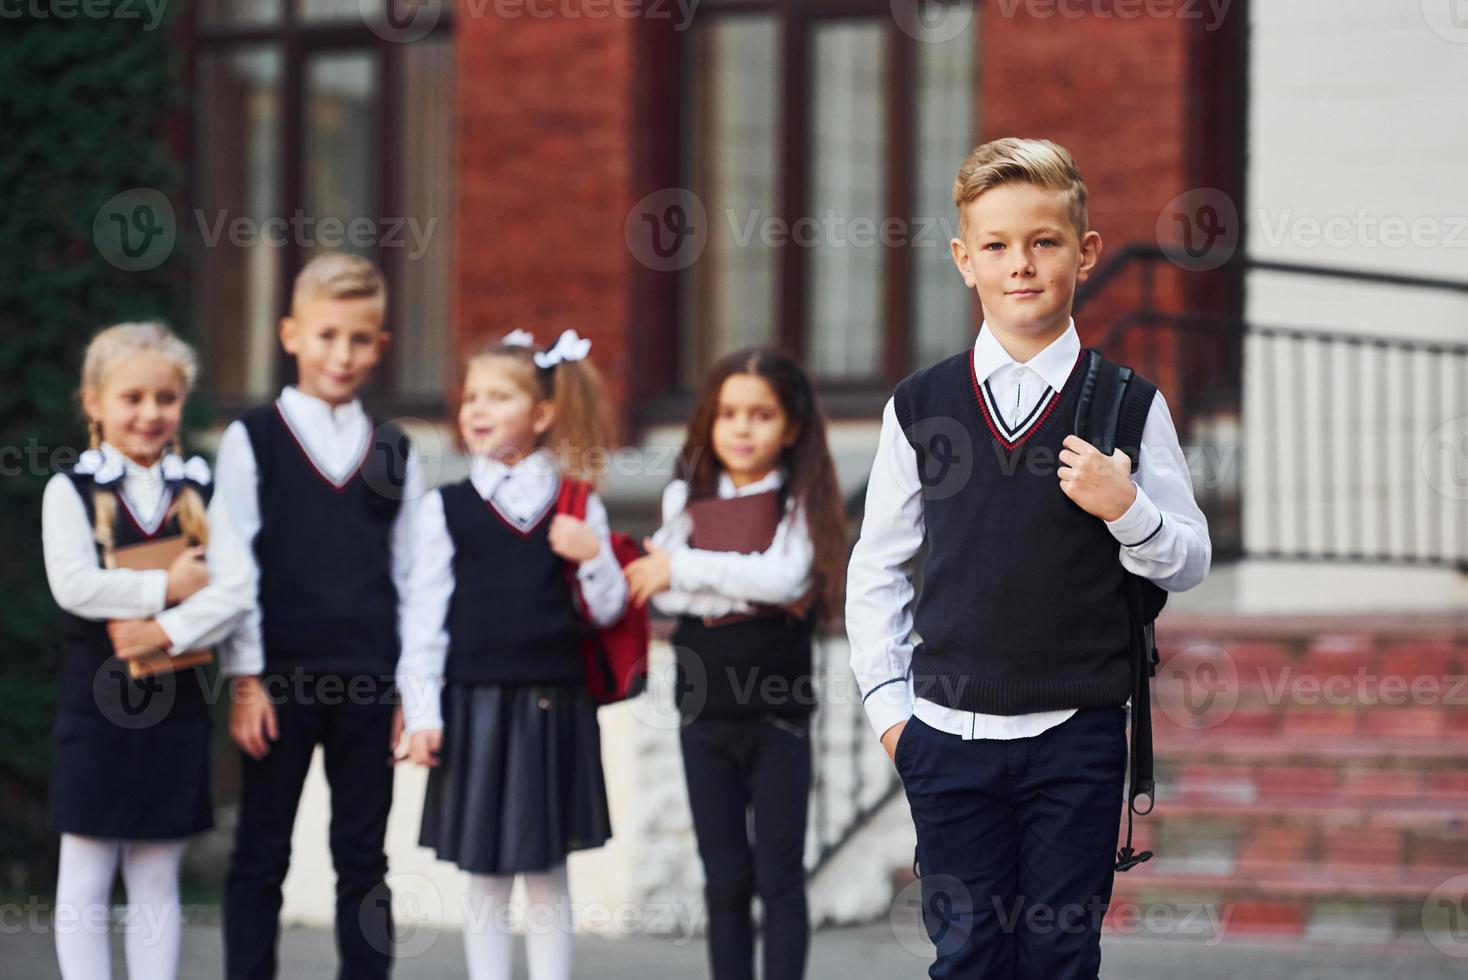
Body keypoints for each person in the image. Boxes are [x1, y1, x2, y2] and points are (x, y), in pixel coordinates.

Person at [846, 137, 1212, 979]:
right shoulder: (922, 407)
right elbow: (876, 570)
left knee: (1058, 958)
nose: (1022, 265)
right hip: (944, 737)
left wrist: (1130, 512)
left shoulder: (1129, 404)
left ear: (1084, 254)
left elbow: (1187, 561)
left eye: (1044, 242)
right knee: (968, 957)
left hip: (1074, 740)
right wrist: (893, 718)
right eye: (998, 246)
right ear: (964, 260)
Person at [216, 252, 423, 980]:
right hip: (279, 681)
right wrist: (245, 678)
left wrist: (411, 691)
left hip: (369, 684)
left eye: (360, 339)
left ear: (381, 345)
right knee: (261, 850)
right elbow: (232, 565)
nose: (343, 354)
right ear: (292, 334)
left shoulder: (396, 450)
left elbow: (416, 579)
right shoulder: (255, 439)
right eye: (328, 335)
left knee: (363, 857)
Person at [398, 328, 625, 980]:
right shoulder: (446, 509)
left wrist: (593, 555)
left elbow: (606, 609)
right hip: (473, 707)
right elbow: (424, 617)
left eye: (498, 397)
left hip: (554, 705)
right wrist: (421, 713)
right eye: (472, 396)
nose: (477, 409)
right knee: (485, 874)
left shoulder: (579, 505)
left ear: (543, 413)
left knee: (546, 870)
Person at [624, 347, 847, 980]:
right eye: (727, 414)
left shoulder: (799, 501)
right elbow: (661, 591)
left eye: (760, 414)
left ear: (792, 427)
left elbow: (784, 577)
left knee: (779, 879)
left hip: (778, 718)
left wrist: (690, 567)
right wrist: (721, 579)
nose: (742, 429)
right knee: (723, 879)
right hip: (704, 713)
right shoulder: (685, 495)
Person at [43, 321, 252, 979]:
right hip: (96, 705)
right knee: (86, 868)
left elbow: (238, 591)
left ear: (181, 404)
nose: (149, 414)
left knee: (158, 869)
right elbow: (74, 586)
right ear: (94, 402)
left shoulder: (204, 490)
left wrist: (164, 628)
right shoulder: (68, 490)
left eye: (164, 399)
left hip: (178, 704)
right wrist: (170, 584)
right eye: (131, 398)